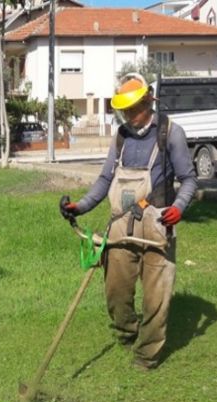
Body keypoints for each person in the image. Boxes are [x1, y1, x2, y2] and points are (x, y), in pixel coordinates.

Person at [59, 73, 198, 370]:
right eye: (125, 111)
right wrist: (79, 206)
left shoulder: (170, 132)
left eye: (135, 109)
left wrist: (179, 207)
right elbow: (105, 179)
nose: (131, 116)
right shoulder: (121, 136)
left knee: (156, 298)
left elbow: (188, 180)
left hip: (158, 224)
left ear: (149, 101)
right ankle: (128, 331)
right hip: (120, 224)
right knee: (116, 293)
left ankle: (147, 355)